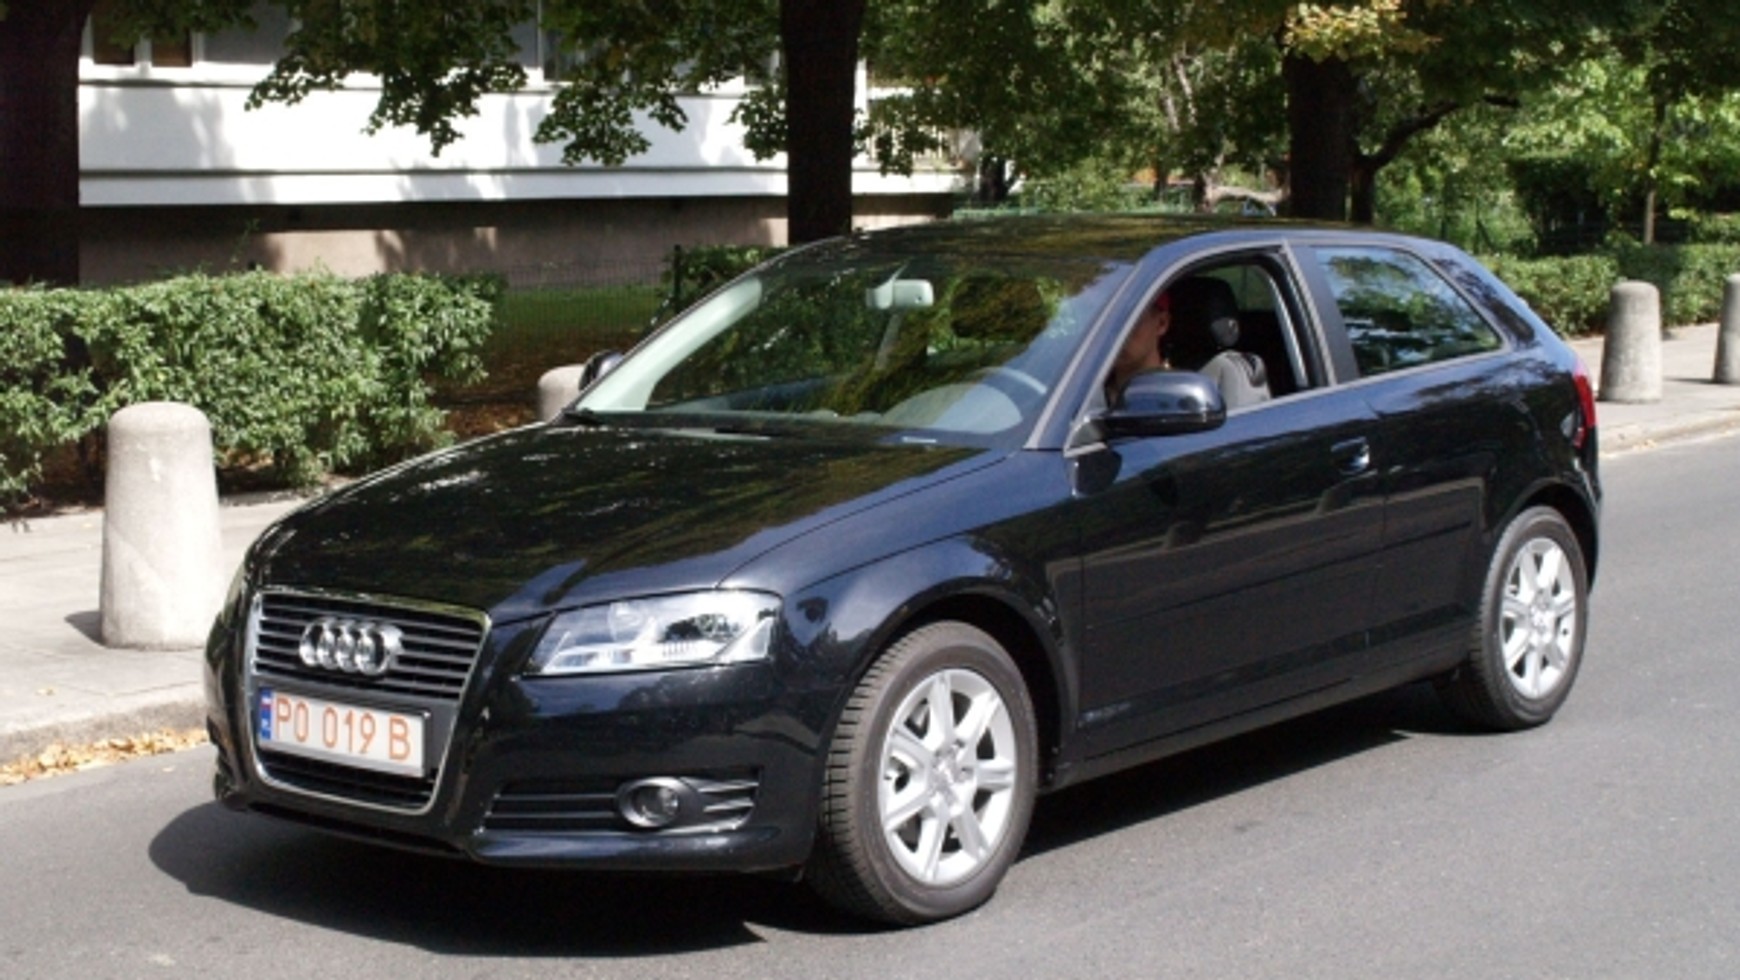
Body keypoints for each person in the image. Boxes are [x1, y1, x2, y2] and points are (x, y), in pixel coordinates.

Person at [1106, 289, 1170, 405]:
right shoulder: (1082, 394)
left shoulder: (1175, 397)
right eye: (1108, 322)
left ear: (1162, 323)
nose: (1117, 332)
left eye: (1129, 321)